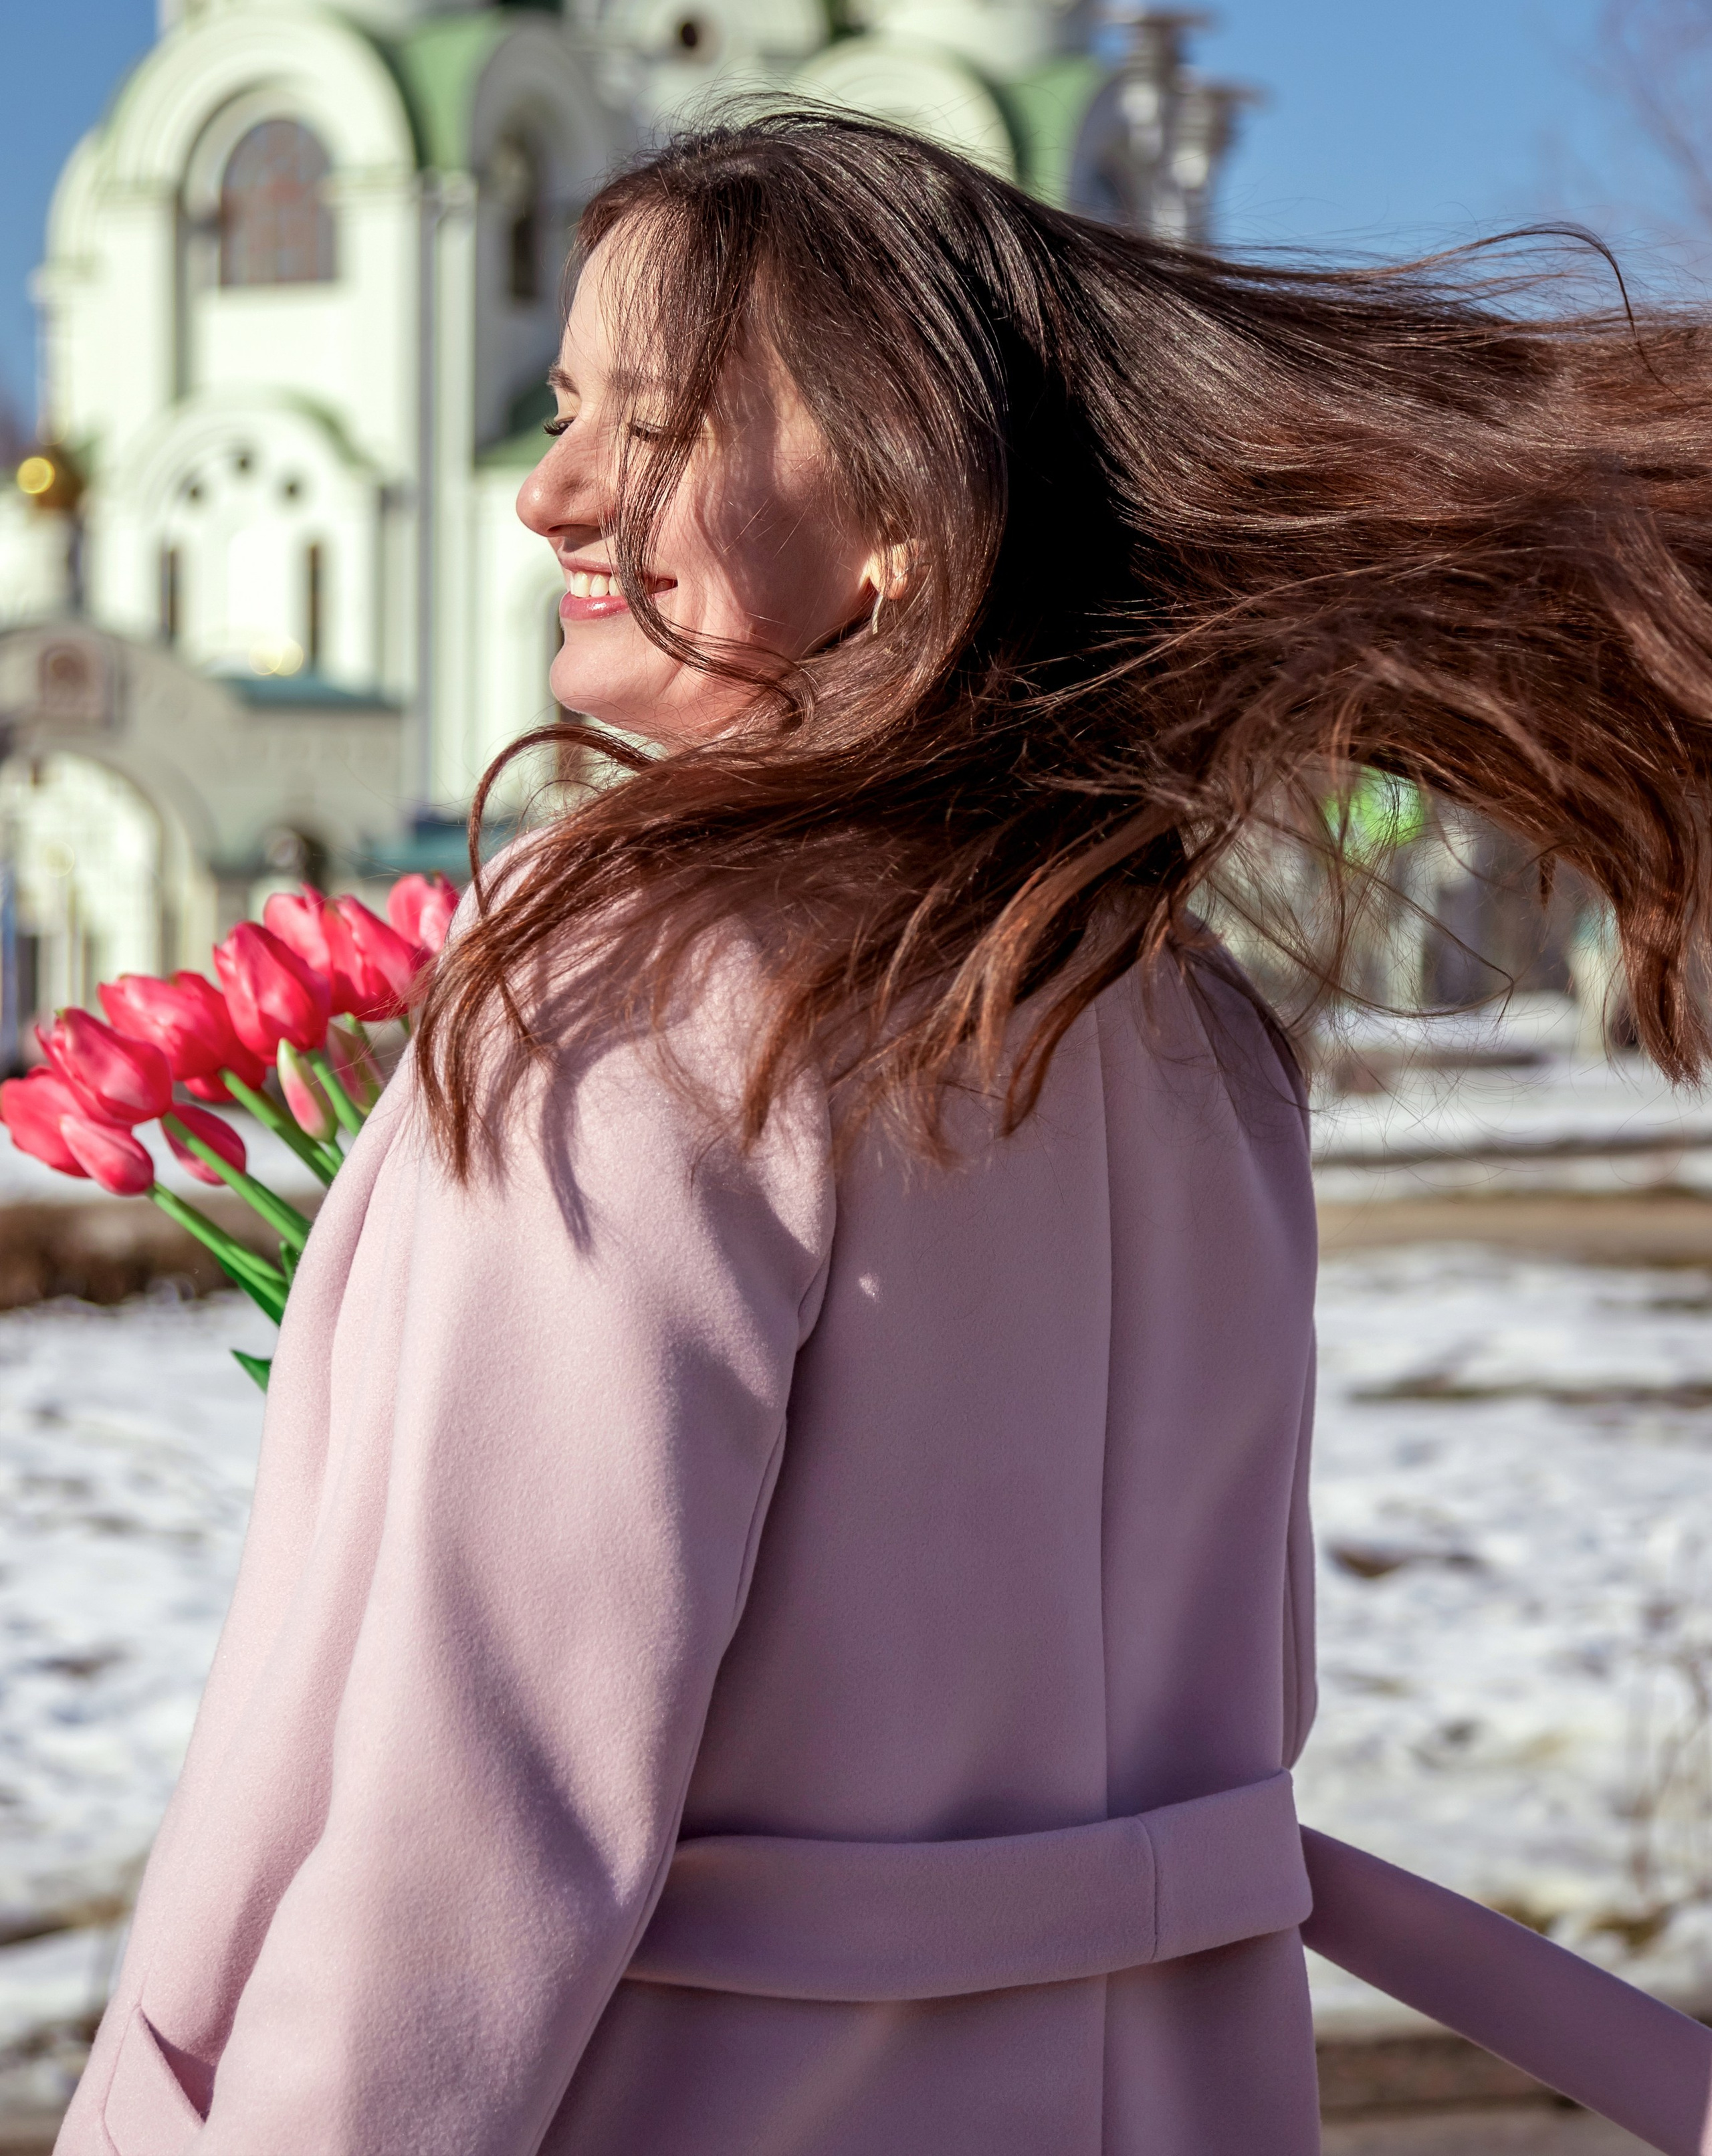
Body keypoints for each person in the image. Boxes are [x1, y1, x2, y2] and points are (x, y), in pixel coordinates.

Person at [58, 116, 1712, 2156]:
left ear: (900, 527)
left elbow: (470, 1816)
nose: (553, 491)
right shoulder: (1169, 1019)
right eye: (563, 412)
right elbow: (1226, 1711)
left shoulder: (641, 1011)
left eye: (651, 427)